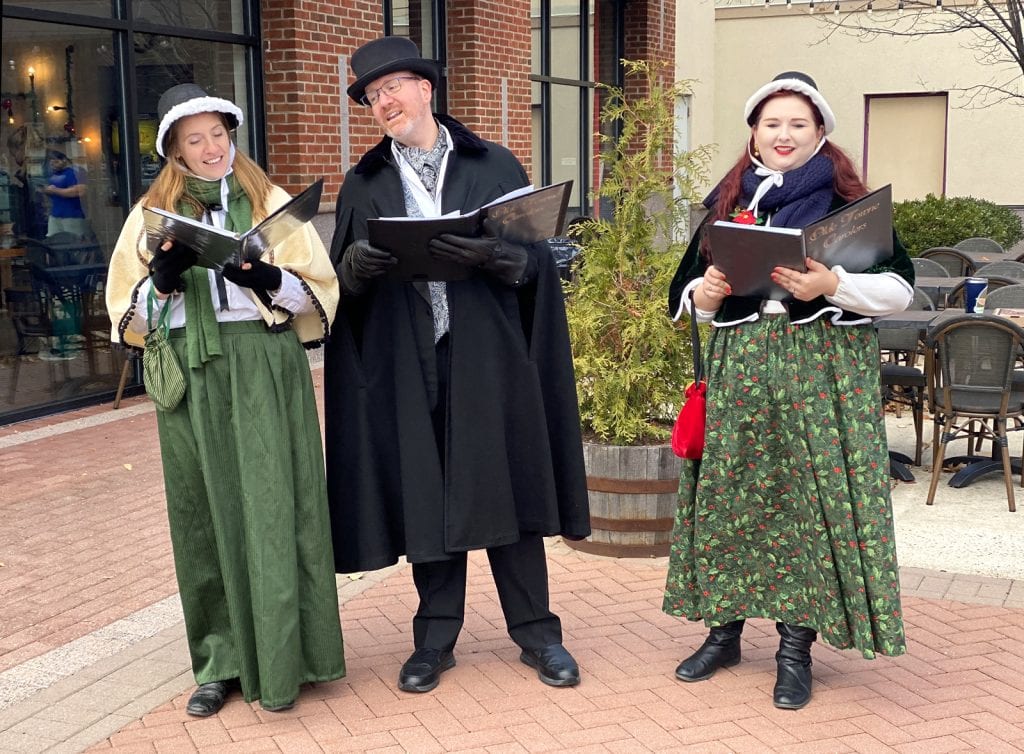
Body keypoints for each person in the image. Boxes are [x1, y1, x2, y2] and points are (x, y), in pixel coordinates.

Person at [323, 36, 591, 694]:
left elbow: (540, 266)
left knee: (507, 484)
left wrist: (491, 257)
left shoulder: (493, 164)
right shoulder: (365, 182)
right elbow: (342, 285)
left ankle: (538, 634)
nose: (385, 101)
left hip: (487, 354)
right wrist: (351, 270)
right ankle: (433, 639)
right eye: (373, 95)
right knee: (425, 492)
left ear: (425, 90)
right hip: (405, 361)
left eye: (394, 88)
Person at [662, 72, 913, 710]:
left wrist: (833, 286)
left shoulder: (846, 207)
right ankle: (724, 631)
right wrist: (707, 296)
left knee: (806, 504)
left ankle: (794, 649)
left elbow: (900, 289)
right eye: (771, 123)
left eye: (797, 124)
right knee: (732, 496)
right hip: (740, 370)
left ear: (820, 133)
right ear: (753, 132)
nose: (783, 134)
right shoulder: (730, 201)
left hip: (819, 374)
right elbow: (686, 294)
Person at [105, 83, 344, 715]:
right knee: (202, 514)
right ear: (174, 151)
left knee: (277, 505)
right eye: (196, 140)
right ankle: (220, 662)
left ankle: (296, 654)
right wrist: (162, 278)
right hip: (194, 371)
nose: (212, 148)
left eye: (219, 135)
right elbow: (126, 313)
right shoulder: (148, 217)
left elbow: (321, 292)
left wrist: (266, 277)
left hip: (265, 362)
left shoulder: (271, 202)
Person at [43, 151, 88, 238]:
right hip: (55, 215)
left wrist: (55, 190)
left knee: (73, 241)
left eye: (56, 162)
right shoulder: (54, 174)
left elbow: (79, 191)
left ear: (64, 160)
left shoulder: (75, 171)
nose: (53, 166)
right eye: (51, 164)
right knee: (53, 241)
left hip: (72, 216)